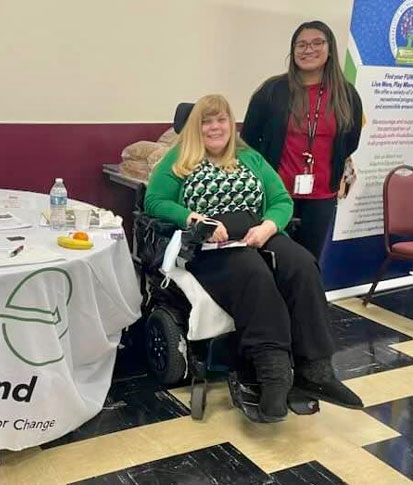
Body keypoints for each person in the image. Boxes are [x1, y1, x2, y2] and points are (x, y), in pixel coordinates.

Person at [145, 94, 363, 423]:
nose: (214, 127)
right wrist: (194, 218)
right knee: (254, 273)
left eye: (220, 120)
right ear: (195, 127)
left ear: (230, 124)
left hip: (257, 232)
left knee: (303, 265)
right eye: (206, 121)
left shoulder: (250, 158)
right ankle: (273, 374)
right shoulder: (179, 159)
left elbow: (280, 199)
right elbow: (155, 201)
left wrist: (268, 226)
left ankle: (316, 370)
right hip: (211, 242)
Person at [240, 20, 363, 260]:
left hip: (321, 197)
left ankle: (301, 299)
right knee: (270, 259)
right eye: (301, 44)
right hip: (276, 194)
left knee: (308, 261)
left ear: (330, 49)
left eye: (317, 43)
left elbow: (351, 141)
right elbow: (249, 140)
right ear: (293, 50)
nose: (308, 50)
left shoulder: (346, 95)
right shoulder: (272, 90)